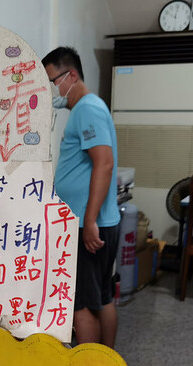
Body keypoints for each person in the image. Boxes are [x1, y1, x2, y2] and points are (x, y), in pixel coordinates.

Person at [42, 47, 120, 347]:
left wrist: (88, 221)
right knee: (100, 297)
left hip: (86, 224)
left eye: (52, 81)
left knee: (80, 305)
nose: (52, 90)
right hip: (93, 221)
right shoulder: (87, 109)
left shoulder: (87, 108)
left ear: (71, 75)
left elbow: (104, 162)